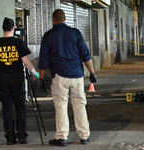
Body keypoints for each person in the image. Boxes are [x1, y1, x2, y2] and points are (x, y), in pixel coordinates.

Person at [38, 9, 97, 146]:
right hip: (77, 75)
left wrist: (41, 78)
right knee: (80, 105)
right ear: (65, 19)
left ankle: (62, 137)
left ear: (53, 20)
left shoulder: (48, 35)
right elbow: (85, 54)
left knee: (60, 105)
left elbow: (44, 59)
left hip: (59, 76)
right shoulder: (75, 33)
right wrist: (92, 73)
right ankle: (84, 136)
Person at [0, 17, 39, 145]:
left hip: (2, 78)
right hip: (17, 78)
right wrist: (36, 74)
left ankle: (10, 138)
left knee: (7, 107)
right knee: (20, 106)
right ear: (13, 28)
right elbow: (26, 62)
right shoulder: (19, 43)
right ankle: (22, 136)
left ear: (2, 28)